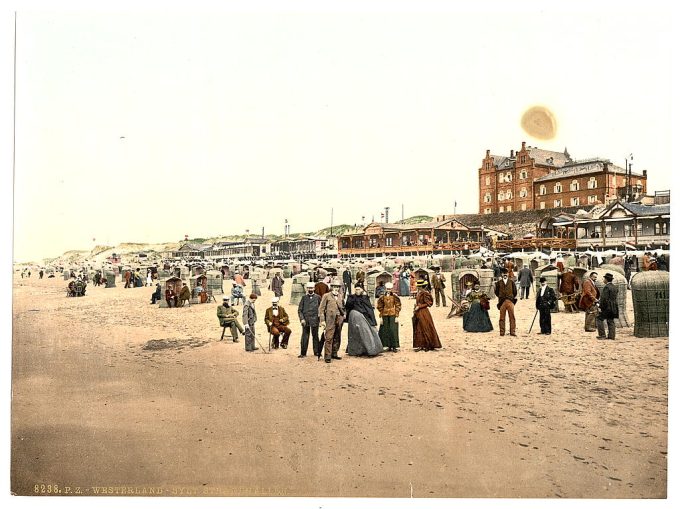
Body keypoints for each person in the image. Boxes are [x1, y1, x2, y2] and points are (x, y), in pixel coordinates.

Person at [345, 285, 383, 357]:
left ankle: (371, 351)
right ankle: (357, 351)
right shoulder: (351, 297)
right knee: (356, 334)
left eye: (359, 289)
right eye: (356, 289)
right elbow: (347, 307)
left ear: (362, 290)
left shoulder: (365, 298)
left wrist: (373, 322)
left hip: (365, 318)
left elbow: (369, 310)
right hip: (354, 318)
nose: (357, 291)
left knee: (367, 333)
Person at [318, 279, 346, 363]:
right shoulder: (326, 296)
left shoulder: (341, 296)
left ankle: (334, 353)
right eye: (334, 286)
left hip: (339, 319)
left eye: (337, 287)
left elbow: (343, 307)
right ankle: (327, 356)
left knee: (337, 336)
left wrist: (344, 315)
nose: (336, 288)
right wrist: (322, 320)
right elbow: (321, 309)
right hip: (329, 319)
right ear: (331, 287)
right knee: (329, 337)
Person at [412, 279, 442, 351]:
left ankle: (428, 344)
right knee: (419, 327)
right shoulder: (419, 293)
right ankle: (421, 345)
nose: (418, 287)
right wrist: (416, 307)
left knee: (425, 327)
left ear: (422, 286)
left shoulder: (425, 293)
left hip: (424, 312)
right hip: (418, 312)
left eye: (419, 286)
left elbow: (429, 303)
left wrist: (419, 306)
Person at [298, 282, 321, 359]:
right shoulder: (304, 298)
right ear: (307, 289)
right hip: (306, 321)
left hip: (315, 320)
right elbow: (300, 310)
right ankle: (303, 353)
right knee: (305, 336)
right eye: (309, 288)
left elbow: (321, 309)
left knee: (315, 336)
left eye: (311, 288)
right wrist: (302, 319)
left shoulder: (318, 297)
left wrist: (320, 320)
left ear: (314, 288)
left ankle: (317, 352)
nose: (310, 289)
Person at [377, 282, 401, 352]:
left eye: (390, 289)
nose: (388, 290)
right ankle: (386, 345)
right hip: (384, 314)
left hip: (392, 314)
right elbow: (380, 306)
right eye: (387, 289)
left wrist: (396, 315)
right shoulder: (382, 297)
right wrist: (381, 316)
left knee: (393, 329)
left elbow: (398, 305)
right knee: (385, 330)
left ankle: (394, 346)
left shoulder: (394, 296)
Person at [494, 268, 517, 336]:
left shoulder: (512, 282)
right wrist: (501, 297)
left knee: (512, 317)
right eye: (503, 273)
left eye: (506, 273)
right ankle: (502, 332)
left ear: (508, 274)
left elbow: (515, 292)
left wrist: (511, 298)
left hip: (510, 301)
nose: (505, 274)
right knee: (502, 318)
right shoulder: (498, 283)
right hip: (502, 302)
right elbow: (496, 292)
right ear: (501, 274)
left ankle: (512, 332)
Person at [596, 273, 619, 340]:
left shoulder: (606, 287)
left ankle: (602, 335)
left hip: (607, 307)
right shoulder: (614, 287)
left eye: (604, 279)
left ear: (606, 279)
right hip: (614, 307)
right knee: (610, 320)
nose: (603, 280)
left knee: (599, 319)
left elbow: (604, 299)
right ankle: (611, 336)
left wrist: (600, 307)